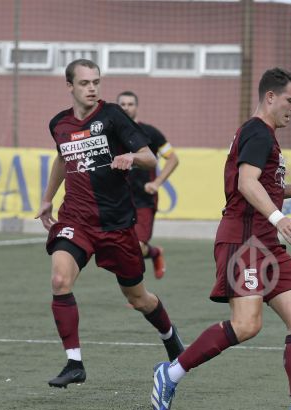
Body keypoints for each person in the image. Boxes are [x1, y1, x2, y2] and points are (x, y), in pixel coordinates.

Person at [150, 67, 291, 410]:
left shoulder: (263, 135)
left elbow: (264, 185)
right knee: (246, 324)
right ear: (270, 97)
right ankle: (171, 372)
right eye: (290, 100)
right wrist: (277, 219)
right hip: (245, 240)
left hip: (265, 243)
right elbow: (245, 183)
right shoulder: (258, 131)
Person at [37, 59, 184, 388]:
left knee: (138, 299)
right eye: (85, 83)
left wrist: (131, 157)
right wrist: (47, 198)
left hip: (116, 224)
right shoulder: (58, 124)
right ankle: (74, 363)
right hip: (75, 217)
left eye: (96, 82)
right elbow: (63, 158)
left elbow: (150, 157)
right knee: (60, 279)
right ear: (70, 86)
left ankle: (170, 336)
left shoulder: (113, 115)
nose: (92, 88)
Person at [117, 90, 180, 280]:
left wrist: (157, 183)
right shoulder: (111, 134)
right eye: (122, 104)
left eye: (130, 104)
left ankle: (137, 294)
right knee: (122, 247)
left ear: (137, 107)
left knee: (136, 246)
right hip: (120, 200)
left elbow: (173, 159)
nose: (126, 108)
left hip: (144, 199)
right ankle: (154, 252)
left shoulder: (150, 133)